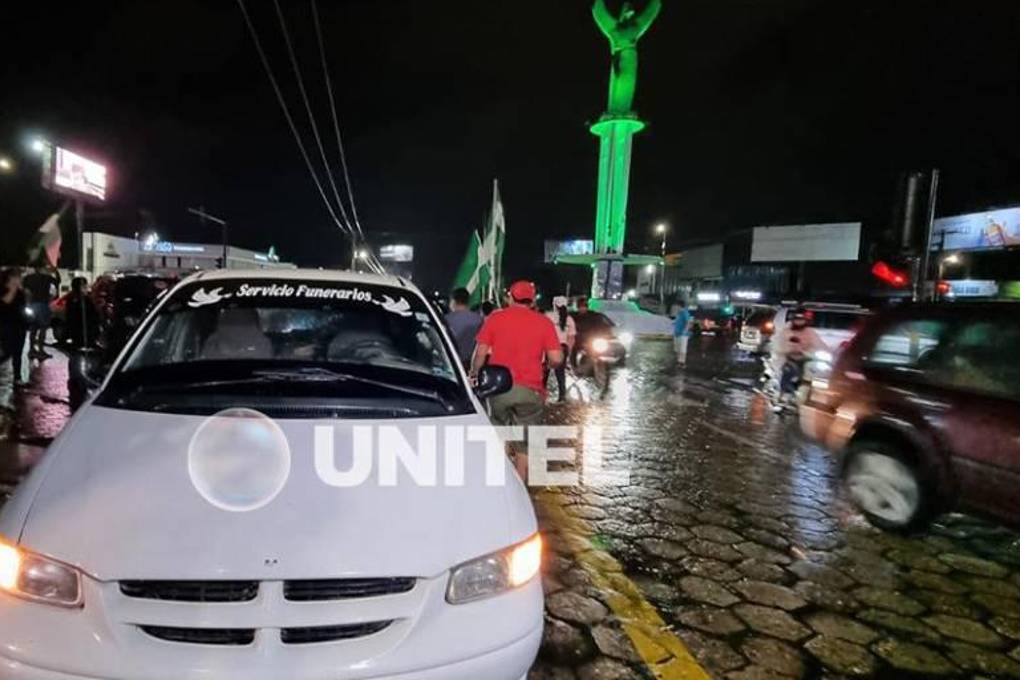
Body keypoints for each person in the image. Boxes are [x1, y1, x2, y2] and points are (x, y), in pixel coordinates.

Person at [471, 280, 563, 480]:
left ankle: (501, 480)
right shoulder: (544, 323)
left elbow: (480, 353)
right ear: (531, 301)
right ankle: (520, 483)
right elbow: (556, 358)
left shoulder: (495, 319)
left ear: (509, 297)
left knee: (499, 432)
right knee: (525, 442)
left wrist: (474, 374)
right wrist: (548, 365)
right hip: (531, 390)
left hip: (499, 387)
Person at [64, 277, 101, 411]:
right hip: (80, 337)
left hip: (83, 336)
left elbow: (94, 317)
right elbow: (76, 319)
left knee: (78, 358)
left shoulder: (83, 300)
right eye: (84, 287)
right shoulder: (77, 301)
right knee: (78, 359)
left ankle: (78, 381)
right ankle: (78, 381)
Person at [0, 268, 29, 425]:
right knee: (7, 351)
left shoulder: (20, 291)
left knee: (17, 352)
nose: (20, 279)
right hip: (6, 326)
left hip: (19, 325)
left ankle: (17, 377)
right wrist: (12, 289)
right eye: (17, 277)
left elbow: (23, 304)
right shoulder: (5, 289)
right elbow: (5, 303)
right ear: (11, 278)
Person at [544, 296, 577, 402]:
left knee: (545, 372)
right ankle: (562, 397)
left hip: (549, 347)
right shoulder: (569, 319)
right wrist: (569, 352)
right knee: (560, 373)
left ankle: (541, 396)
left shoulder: (548, 316)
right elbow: (571, 338)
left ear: (554, 305)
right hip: (562, 347)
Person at [23, 264, 58, 360]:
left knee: (33, 328)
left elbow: (25, 290)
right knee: (43, 328)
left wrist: (27, 303)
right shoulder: (47, 277)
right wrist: (55, 271)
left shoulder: (28, 278)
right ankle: (41, 350)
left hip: (32, 305)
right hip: (43, 304)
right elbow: (57, 282)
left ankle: (31, 349)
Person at [444, 287, 483, 367]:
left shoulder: (446, 319)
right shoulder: (478, 319)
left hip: (451, 363)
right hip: (470, 363)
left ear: (453, 301)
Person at [571, 297, 614, 368]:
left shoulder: (594, 315)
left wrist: (608, 332)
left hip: (593, 339)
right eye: (581, 307)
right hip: (578, 339)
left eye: (584, 306)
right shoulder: (574, 316)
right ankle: (574, 366)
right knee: (573, 349)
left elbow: (604, 325)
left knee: (607, 348)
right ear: (578, 307)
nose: (583, 308)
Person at [672, 299, 692, 367]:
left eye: (676, 306)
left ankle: (682, 363)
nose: (675, 307)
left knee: (682, 349)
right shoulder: (679, 313)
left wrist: (684, 331)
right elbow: (678, 322)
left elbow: (688, 323)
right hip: (677, 333)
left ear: (679, 306)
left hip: (682, 335)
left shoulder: (684, 312)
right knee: (677, 349)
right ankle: (678, 362)